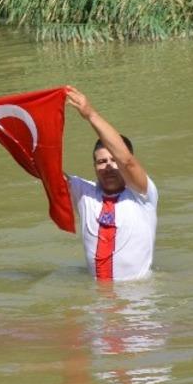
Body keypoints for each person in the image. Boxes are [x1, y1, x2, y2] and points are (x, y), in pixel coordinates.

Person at [64, 86, 158, 281]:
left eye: (113, 160)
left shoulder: (143, 195)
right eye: (101, 161)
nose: (108, 166)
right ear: (94, 167)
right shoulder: (84, 193)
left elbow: (127, 161)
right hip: (98, 302)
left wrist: (90, 114)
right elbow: (46, 171)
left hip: (137, 300)